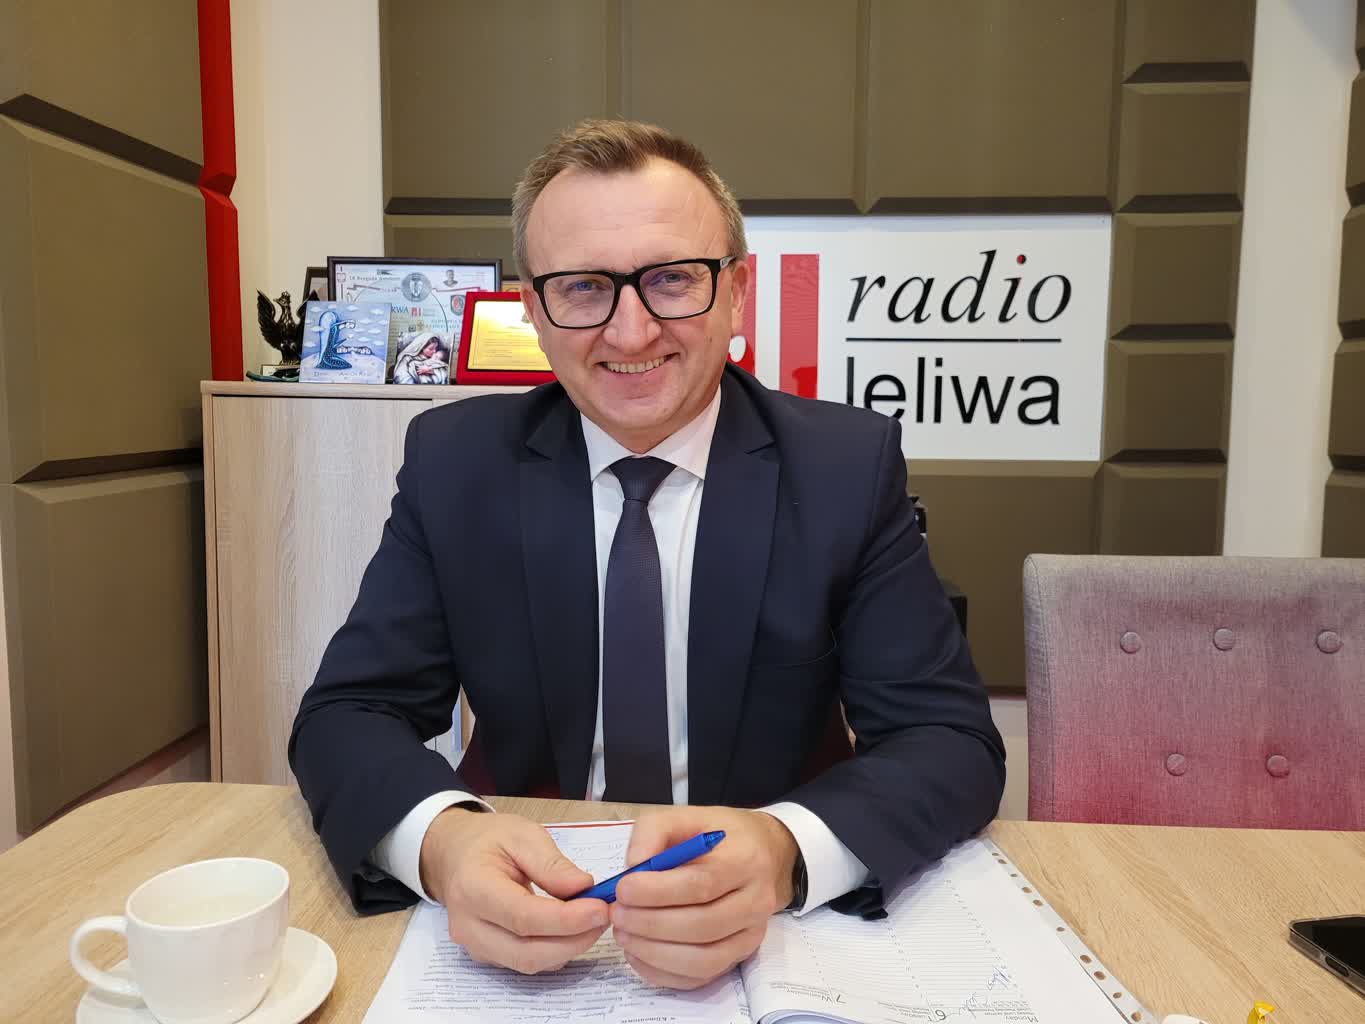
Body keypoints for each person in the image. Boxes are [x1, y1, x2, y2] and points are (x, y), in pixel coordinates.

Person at [290, 119, 1005, 990]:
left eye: (671, 279)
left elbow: (947, 740)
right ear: (533, 311)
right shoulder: (456, 464)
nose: (630, 333)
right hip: (525, 906)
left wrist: (785, 851)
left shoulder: (844, 469)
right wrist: (442, 842)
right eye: (583, 287)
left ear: (737, 291)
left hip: (770, 930)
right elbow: (349, 713)